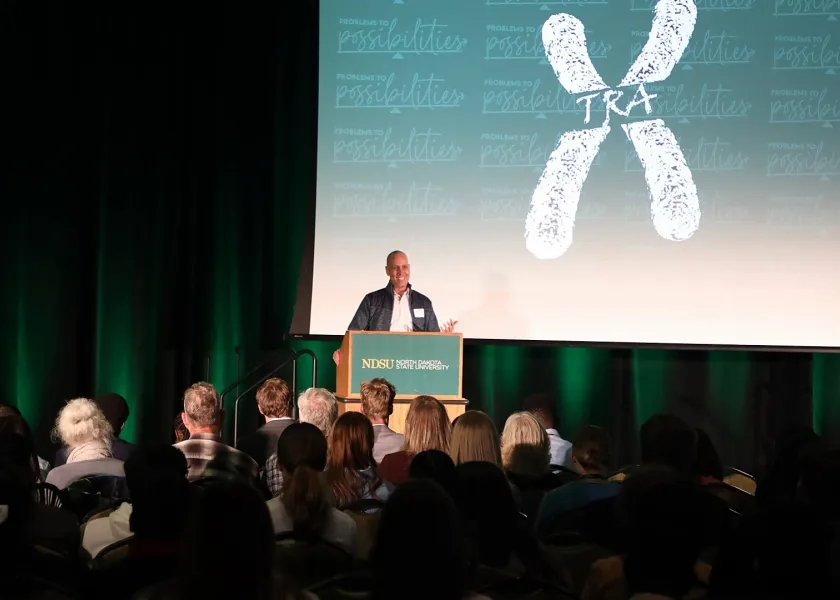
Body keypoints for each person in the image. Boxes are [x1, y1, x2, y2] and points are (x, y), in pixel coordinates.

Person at [333, 251, 457, 364]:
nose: (401, 272)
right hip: (381, 361)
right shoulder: (372, 299)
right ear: (387, 270)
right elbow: (354, 331)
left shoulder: (424, 302)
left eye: (404, 267)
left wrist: (443, 338)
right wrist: (342, 352)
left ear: (409, 268)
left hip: (414, 362)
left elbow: (433, 339)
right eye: (395, 268)